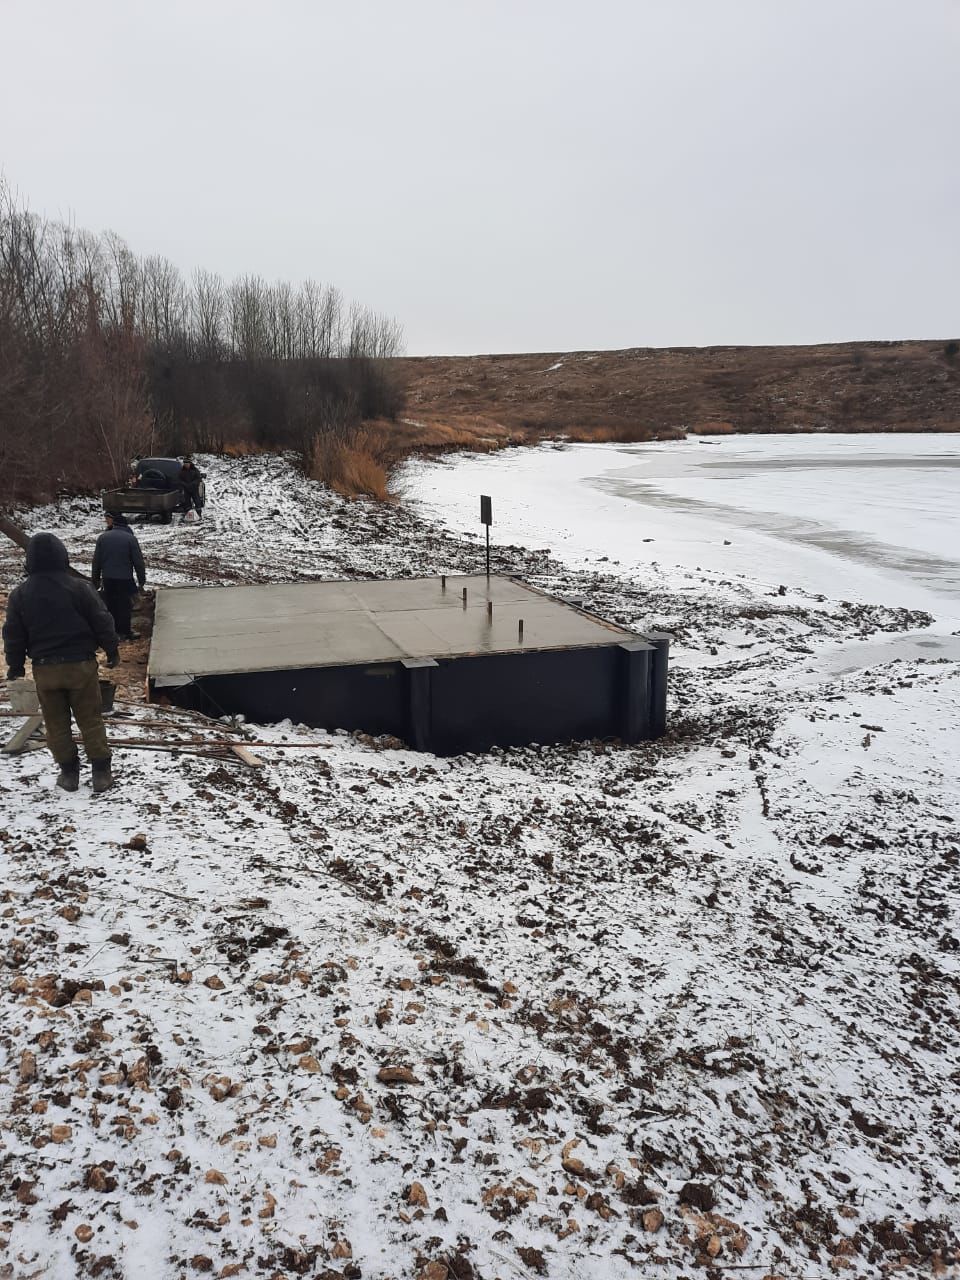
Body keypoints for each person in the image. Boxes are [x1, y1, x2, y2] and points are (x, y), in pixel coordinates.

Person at [3, 533, 119, 793]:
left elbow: (13, 634)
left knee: (56, 724)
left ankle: (68, 774)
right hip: (80, 666)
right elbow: (102, 620)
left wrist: (16, 667)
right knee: (90, 720)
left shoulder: (19, 595)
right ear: (62, 557)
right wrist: (112, 650)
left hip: (45, 669)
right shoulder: (79, 588)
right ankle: (101, 773)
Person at [92, 513, 146, 640]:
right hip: (125, 578)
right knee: (125, 606)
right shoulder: (130, 539)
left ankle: (113, 632)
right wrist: (141, 579)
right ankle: (126, 632)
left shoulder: (102, 538)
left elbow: (96, 561)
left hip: (108, 578)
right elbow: (138, 561)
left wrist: (96, 580)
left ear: (114, 524)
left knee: (111, 605)